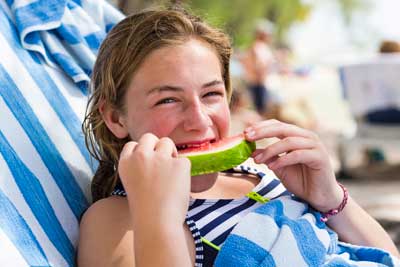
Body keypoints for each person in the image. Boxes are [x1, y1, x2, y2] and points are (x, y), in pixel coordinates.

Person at [77, 7, 399, 266]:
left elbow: (389, 258)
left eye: (212, 94)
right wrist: (158, 217)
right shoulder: (117, 222)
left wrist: (331, 199)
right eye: (168, 100)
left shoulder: (264, 173)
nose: (200, 120)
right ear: (115, 117)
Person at [240, 20, 275, 116]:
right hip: (258, 83)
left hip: (258, 83)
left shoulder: (257, 47)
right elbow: (258, 66)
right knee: (261, 111)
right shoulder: (257, 47)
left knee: (261, 110)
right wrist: (260, 76)